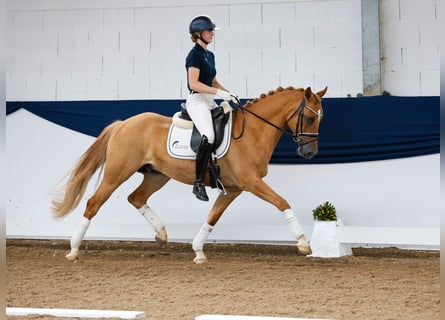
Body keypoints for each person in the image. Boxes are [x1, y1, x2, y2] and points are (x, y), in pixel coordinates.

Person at [185, 15, 240, 201]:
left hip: (209, 100)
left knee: (228, 127)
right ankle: (198, 182)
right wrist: (218, 92)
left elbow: (214, 81)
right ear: (199, 34)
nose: (212, 34)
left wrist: (229, 93)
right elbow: (193, 84)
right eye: (209, 31)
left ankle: (217, 173)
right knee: (208, 136)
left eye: (211, 31)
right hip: (197, 101)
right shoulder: (194, 55)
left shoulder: (210, 55)